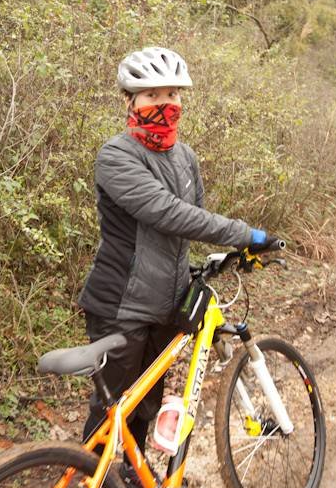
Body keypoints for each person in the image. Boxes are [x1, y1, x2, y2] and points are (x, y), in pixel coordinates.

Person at [77, 47, 279, 461]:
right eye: (153, 95)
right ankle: (90, 487)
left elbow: (187, 229)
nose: (165, 105)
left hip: (165, 305)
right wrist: (245, 234)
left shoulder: (185, 158)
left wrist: (213, 262)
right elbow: (171, 215)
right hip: (121, 305)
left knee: (145, 403)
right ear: (130, 101)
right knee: (112, 408)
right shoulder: (116, 156)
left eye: (172, 94)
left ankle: (130, 476)